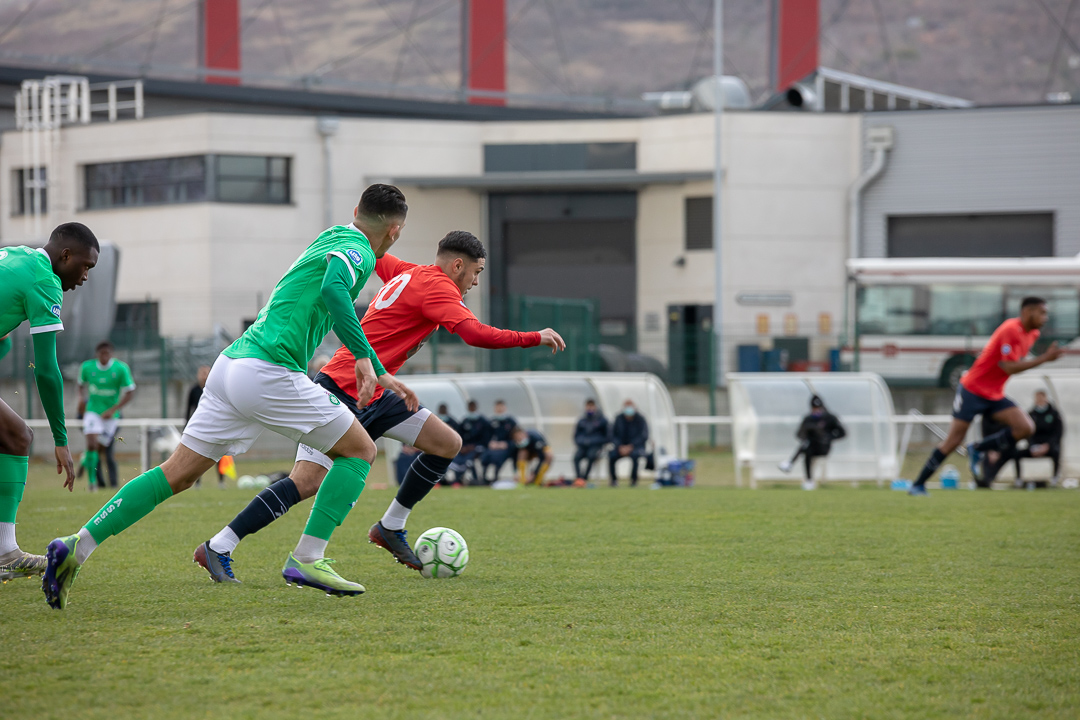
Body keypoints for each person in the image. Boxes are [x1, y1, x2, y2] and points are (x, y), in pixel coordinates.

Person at [43, 184, 416, 608]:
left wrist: (371, 363)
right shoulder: (360, 250)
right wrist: (366, 360)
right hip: (268, 369)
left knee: (176, 474)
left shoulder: (334, 235)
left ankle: (77, 545)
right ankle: (308, 557)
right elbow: (333, 289)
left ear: (356, 209)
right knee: (361, 450)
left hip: (231, 366)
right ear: (395, 230)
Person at [195, 229, 564, 581]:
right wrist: (534, 337)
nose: (476, 281)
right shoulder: (439, 288)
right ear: (457, 266)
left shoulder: (409, 271)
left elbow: (377, 256)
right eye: (476, 272)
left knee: (446, 443)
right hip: (342, 387)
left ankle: (390, 526)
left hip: (377, 391)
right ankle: (219, 546)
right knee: (306, 482)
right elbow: (474, 333)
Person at [0, 223, 99, 580]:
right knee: (18, 436)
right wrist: (61, 439)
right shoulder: (45, 280)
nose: (85, 276)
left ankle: (5, 552)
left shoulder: (18, 256)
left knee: (16, 437)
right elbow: (46, 370)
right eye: (85, 266)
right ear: (66, 256)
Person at [908, 297, 1063, 496]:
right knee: (953, 440)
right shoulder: (1010, 329)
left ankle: (977, 448)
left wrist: (1043, 358)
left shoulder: (1033, 334)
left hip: (994, 394)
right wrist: (1044, 359)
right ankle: (918, 484)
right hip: (972, 390)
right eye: (1042, 313)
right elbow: (1008, 366)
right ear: (1027, 312)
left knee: (1025, 427)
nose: (1045, 318)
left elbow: (1013, 363)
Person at [77, 341, 135, 492]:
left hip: (111, 416)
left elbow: (130, 391)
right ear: (97, 354)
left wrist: (113, 410)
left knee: (99, 449)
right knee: (91, 444)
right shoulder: (87, 367)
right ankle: (92, 483)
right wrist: (81, 400)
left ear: (111, 354)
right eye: (101, 353)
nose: (104, 356)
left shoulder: (121, 368)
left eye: (107, 353)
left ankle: (85, 459)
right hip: (92, 411)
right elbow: (80, 385)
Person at [778, 395, 846, 490]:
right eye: (814, 408)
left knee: (806, 446)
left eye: (818, 408)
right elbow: (799, 434)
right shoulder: (808, 419)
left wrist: (829, 438)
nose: (816, 410)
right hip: (810, 447)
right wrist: (807, 434)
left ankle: (791, 463)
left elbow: (843, 433)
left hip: (823, 447)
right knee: (807, 447)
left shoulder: (830, 418)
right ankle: (808, 480)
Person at [1004, 390, 1065, 485]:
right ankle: (1018, 479)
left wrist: (1047, 446)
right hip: (1034, 446)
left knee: (1056, 452)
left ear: (1045, 398)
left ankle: (1054, 478)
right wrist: (1032, 446)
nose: (1039, 400)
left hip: (1048, 446)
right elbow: (1027, 432)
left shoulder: (1054, 414)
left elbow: (1058, 433)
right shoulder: (1031, 414)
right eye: (1037, 398)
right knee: (1017, 453)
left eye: (1041, 397)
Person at [186, 365, 228, 489]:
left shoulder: (215, 388)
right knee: (197, 456)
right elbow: (188, 409)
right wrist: (186, 426)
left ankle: (221, 481)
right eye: (202, 373)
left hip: (216, 426)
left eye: (206, 373)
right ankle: (197, 483)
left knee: (219, 455)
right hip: (199, 428)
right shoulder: (194, 390)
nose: (204, 376)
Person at [609, 400, 649, 487]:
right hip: (620, 447)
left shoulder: (640, 419)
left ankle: (634, 480)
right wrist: (619, 446)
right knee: (611, 455)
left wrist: (631, 446)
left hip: (635, 447)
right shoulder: (618, 418)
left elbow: (643, 436)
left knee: (635, 456)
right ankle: (614, 480)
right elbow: (612, 435)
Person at [452, 400, 490, 485]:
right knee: (457, 458)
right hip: (466, 447)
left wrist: (473, 446)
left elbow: (485, 438)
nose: (471, 409)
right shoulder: (465, 420)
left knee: (470, 459)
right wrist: (463, 446)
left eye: (473, 407)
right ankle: (457, 479)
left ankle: (476, 479)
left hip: (479, 447)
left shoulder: (483, 421)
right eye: (470, 407)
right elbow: (460, 435)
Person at [573, 399, 608, 481]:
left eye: (591, 406)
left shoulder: (602, 420)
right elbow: (576, 435)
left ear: (595, 407)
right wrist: (583, 442)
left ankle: (584, 478)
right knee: (576, 458)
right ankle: (579, 478)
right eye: (588, 406)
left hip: (596, 446)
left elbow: (607, 436)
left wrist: (594, 441)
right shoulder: (582, 420)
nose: (590, 408)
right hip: (583, 446)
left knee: (591, 456)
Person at [482, 400, 517, 483]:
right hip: (494, 447)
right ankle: (484, 478)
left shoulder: (511, 421)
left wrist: (506, 444)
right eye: (497, 407)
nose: (499, 409)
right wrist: (490, 443)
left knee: (498, 457)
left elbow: (516, 437)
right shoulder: (491, 421)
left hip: (506, 447)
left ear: (505, 408)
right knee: (485, 456)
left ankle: (496, 477)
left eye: (501, 407)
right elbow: (486, 436)